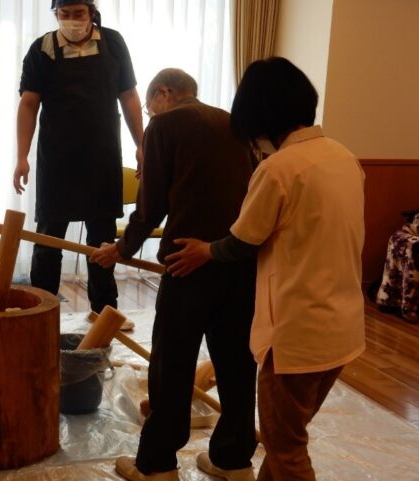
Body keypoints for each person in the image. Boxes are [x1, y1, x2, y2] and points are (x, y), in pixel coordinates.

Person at [164, 57, 366, 481]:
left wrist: (204, 251)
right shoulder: (343, 157)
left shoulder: (278, 169)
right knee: (285, 437)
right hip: (343, 327)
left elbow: (242, 240)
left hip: (298, 333)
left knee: (287, 448)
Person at [91, 68, 258, 481]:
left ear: (163, 94)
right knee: (237, 362)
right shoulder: (234, 123)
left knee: (172, 364)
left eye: (149, 108)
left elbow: (151, 206)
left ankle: (157, 464)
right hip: (238, 260)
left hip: (188, 263)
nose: (150, 117)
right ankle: (233, 459)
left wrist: (121, 249)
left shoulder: (165, 125)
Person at [14, 0, 144, 314]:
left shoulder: (112, 43)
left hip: (102, 155)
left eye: (78, 14)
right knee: (48, 239)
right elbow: (29, 104)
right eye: (65, 14)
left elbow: (128, 96)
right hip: (58, 158)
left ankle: (104, 310)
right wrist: (21, 156)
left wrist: (143, 144)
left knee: (101, 239)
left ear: (92, 13)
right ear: (56, 15)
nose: (72, 20)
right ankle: (39, 310)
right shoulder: (42, 48)